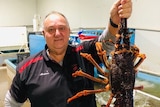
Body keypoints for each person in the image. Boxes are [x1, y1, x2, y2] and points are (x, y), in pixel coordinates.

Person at [5, 0, 132, 107]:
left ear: (69, 31)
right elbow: (11, 102)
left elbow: (106, 44)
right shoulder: (26, 68)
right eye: (51, 30)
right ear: (43, 34)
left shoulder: (84, 53)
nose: (58, 33)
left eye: (62, 28)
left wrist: (114, 21)